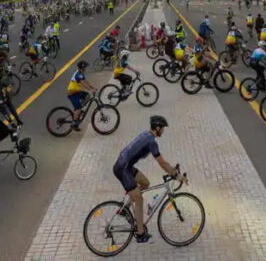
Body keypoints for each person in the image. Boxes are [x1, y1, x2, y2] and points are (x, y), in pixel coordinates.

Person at [112, 116, 184, 244]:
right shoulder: (151, 142)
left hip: (125, 166)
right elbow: (162, 163)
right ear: (157, 128)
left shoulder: (147, 134)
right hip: (123, 169)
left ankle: (124, 209)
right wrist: (176, 174)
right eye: (163, 128)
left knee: (145, 183)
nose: (163, 131)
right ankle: (140, 234)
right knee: (139, 199)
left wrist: (172, 170)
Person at [66, 60, 97, 131]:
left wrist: (92, 87)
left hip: (76, 91)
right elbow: (83, 83)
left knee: (87, 95)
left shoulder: (80, 73)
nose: (85, 69)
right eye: (85, 67)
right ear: (82, 68)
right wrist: (90, 90)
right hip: (72, 93)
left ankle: (78, 111)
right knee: (79, 108)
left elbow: (86, 81)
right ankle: (74, 124)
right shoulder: (78, 75)